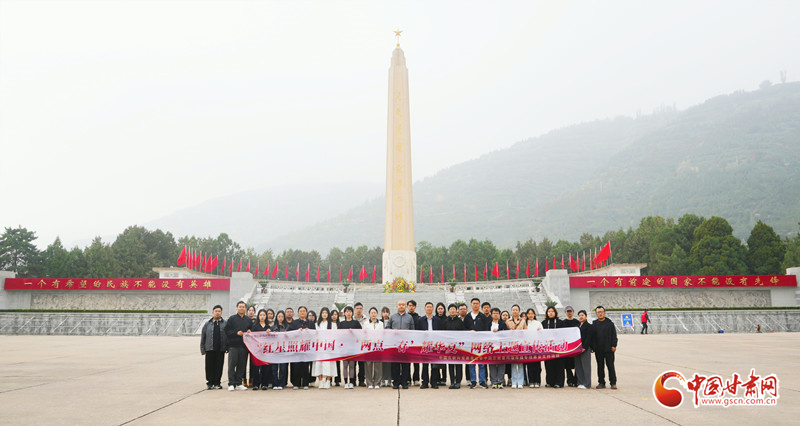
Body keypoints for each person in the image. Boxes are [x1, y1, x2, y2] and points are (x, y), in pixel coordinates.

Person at [385, 300, 415, 389]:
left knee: (406, 364)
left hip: (406, 345)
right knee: (395, 364)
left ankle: (405, 382)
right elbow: (387, 328)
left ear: (405, 307)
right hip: (395, 345)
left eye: (403, 305)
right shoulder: (392, 317)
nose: (401, 306)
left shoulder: (409, 317)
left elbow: (413, 330)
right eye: (399, 305)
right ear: (397, 306)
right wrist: (392, 331)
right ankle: (396, 382)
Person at [224, 301, 252, 391]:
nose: (242, 308)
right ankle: (231, 383)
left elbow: (252, 330)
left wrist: (249, 331)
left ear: (245, 309)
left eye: (243, 307)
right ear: (236, 308)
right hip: (233, 346)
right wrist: (236, 333)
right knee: (232, 365)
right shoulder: (232, 319)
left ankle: (239, 383)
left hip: (244, 346)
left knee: (242, 365)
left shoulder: (248, 320)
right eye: (240, 307)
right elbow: (227, 331)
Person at [200, 305, 227, 390]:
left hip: (220, 349)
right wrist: (202, 349)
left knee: (219, 366)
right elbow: (203, 337)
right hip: (210, 348)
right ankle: (210, 383)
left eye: (219, 311)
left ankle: (217, 383)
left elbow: (228, 336)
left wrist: (227, 347)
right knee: (209, 366)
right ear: (213, 312)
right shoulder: (207, 324)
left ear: (221, 312)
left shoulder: (225, 324)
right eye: (216, 311)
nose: (217, 312)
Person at [463, 298, 488, 389]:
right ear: (471, 305)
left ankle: (482, 381)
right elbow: (463, 329)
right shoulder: (467, 316)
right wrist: (470, 331)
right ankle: (473, 381)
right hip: (470, 343)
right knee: (472, 363)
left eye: (477, 303)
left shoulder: (483, 316)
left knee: (482, 363)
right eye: (474, 303)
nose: (475, 305)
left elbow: (486, 329)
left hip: (480, 343)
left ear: (479, 304)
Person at [416, 302, 441, 389]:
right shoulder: (420, 320)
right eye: (427, 307)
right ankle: (425, 382)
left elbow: (441, 332)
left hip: (434, 345)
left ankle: (434, 382)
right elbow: (418, 332)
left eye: (431, 307)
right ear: (425, 309)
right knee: (425, 365)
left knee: (434, 365)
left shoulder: (437, 320)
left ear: (433, 309)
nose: (429, 308)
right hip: (425, 345)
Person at [288, 306, 315, 389]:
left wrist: (309, 331)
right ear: (298, 313)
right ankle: (296, 383)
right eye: (301, 311)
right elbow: (289, 333)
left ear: (306, 312)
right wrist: (297, 331)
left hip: (307, 348)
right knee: (296, 365)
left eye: (304, 311)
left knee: (305, 366)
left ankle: (305, 383)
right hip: (296, 348)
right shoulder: (294, 322)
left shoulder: (311, 323)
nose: (302, 312)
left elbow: (315, 334)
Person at [593, 306, 618, 389]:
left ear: (604, 313)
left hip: (608, 349)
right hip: (598, 349)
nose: (600, 313)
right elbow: (592, 337)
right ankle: (601, 382)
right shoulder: (594, 324)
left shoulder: (610, 323)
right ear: (596, 314)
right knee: (600, 367)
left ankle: (613, 383)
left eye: (601, 312)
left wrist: (614, 345)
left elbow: (614, 335)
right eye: (598, 312)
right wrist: (593, 347)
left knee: (610, 366)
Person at [312, 307, 337, 389]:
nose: (324, 314)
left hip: (329, 347)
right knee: (319, 364)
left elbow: (335, 336)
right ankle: (320, 381)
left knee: (329, 364)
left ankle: (328, 381)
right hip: (319, 348)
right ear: (321, 314)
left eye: (326, 313)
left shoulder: (333, 325)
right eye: (323, 313)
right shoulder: (317, 324)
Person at [443, 303, 466, 389]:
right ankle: (452, 381)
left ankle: (458, 381)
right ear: (448, 311)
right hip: (449, 346)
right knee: (451, 364)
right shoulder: (445, 321)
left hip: (458, 346)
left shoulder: (459, 321)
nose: (452, 310)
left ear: (456, 311)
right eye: (451, 309)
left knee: (458, 364)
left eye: (454, 309)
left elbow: (462, 332)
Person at [338, 306, 362, 389]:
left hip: (353, 347)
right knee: (345, 365)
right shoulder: (341, 324)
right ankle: (345, 382)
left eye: (350, 311)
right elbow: (338, 335)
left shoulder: (356, 323)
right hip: (344, 347)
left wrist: (353, 332)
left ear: (352, 313)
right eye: (347, 311)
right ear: (344, 313)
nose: (348, 313)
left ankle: (351, 382)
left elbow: (360, 334)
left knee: (352, 365)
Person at [541, 306, 564, 388]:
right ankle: (550, 382)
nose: (550, 313)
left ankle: (559, 382)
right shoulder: (543, 323)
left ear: (555, 313)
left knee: (559, 365)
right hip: (547, 348)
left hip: (558, 348)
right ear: (547, 313)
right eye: (549, 311)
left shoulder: (560, 322)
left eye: (552, 311)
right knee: (548, 365)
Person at [505, 304, 527, 389]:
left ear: (519, 311)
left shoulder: (523, 321)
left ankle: (520, 382)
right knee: (513, 364)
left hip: (520, 343)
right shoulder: (508, 321)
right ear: (511, 311)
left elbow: (526, 331)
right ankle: (514, 382)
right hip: (511, 344)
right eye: (513, 310)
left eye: (516, 310)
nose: (515, 311)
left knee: (521, 364)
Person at [249, 309, 271, 390]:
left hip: (265, 350)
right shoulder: (255, 326)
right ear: (258, 316)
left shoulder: (268, 327)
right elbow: (251, 336)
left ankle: (264, 384)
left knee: (265, 367)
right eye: (261, 315)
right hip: (256, 351)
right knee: (255, 367)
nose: (262, 317)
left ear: (266, 316)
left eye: (264, 315)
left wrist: (270, 332)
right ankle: (255, 384)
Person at [487, 308, 509, 388]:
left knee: (501, 365)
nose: (495, 314)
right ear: (491, 314)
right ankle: (493, 381)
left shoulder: (503, 324)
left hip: (501, 347)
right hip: (491, 347)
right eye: (494, 313)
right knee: (492, 365)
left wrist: (499, 331)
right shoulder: (489, 323)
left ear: (499, 314)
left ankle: (500, 381)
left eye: (497, 313)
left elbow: (506, 334)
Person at [363, 307, 384, 389]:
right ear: (369, 314)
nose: (373, 314)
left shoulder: (381, 323)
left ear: (377, 314)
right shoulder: (366, 323)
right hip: (369, 346)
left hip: (378, 346)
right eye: (372, 313)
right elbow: (364, 334)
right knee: (368, 364)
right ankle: (369, 382)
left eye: (375, 312)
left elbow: (382, 333)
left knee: (378, 364)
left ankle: (377, 382)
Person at [561, 306, 580, 387]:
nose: (569, 313)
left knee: (576, 364)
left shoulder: (577, 322)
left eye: (570, 311)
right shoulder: (563, 323)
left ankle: (575, 380)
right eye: (568, 311)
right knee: (567, 365)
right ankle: (569, 380)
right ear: (565, 312)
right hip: (567, 347)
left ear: (573, 312)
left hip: (575, 346)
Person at [270, 310, 289, 390]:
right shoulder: (273, 328)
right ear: (276, 317)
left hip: (284, 351)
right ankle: (275, 383)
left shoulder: (287, 327)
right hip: (275, 350)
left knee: (283, 368)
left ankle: (281, 383)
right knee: (274, 368)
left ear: (284, 317)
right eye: (279, 316)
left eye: (282, 316)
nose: (280, 318)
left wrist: (286, 335)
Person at [575, 309, 593, 389]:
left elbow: (589, 338)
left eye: (582, 315)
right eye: (579, 315)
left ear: (586, 316)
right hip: (577, 349)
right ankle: (580, 382)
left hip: (584, 349)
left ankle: (587, 383)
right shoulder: (577, 326)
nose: (581, 317)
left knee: (586, 367)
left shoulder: (589, 326)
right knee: (578, 366)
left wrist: (585, 347)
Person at [525, 308, 543, 388]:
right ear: (527, 315)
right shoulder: (525, 323)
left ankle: (537, 381)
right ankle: (531, 381)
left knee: (537, 365)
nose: (530, 315)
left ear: (534, 314)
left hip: (537, 346)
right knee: (530, 365)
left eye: (532, 313)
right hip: (528, 346)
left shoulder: (538, 323)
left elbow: (543, 333)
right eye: (529, 313)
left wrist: (540, 330)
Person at [433, 302, 448, 386]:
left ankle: (444, 379)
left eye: (442, 309)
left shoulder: (447, 318)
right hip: (436, 343)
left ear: (444, 310)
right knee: (437, 361)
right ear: (436, 310)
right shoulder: (434, 319)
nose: (440, 310)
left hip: (445, 343)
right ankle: (437, 378)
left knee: (444, 361)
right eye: (439, 309)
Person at [354, 302, 368, 387]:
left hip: (363, 344)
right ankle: (353, 380)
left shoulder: (366, 319)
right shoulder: (351, 318)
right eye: (357, 308)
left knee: (362, 364)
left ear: (362, 309)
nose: (359, 310)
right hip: (353, 344)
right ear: (354, 309)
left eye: (360, 308)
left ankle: (361, 380)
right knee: (353, 364)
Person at [407, 299, 421, 385]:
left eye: (412, 306)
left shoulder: (418, 318)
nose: (411, 307)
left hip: (416, 342)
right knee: (407, 362)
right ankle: (408, 379)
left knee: (416, 362)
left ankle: (416, 379)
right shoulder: (405, 316)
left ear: (415, 307)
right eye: (409, 305)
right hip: (407, 342)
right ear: (407, 307)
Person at [244, 305, 256, 387]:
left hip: (254, 345)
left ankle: (252, 379)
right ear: (247, 311)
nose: (251, 312)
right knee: (243, 363)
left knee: (253, 363)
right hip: (245, 344)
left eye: (252, 310)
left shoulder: (256, 321)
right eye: (249, 310)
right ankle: (244, 379)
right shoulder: (244, 320)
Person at [380, 306, 392, 387]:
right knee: (382, 363)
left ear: (389, 313)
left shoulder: (391, 321)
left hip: (390, 344)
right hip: (381, 345)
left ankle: (390, 379)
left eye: (387, 312)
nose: (385, 314)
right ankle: (383, 379)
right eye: (384, 312)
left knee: (390, 363)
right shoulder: (379, 322)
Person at [331, 309, 342, 387]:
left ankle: (337, 380)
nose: (334, 316)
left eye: (336, 314)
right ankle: (330, 379)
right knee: (331, 363)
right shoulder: (328, 324)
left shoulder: (340, 324)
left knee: (337, 363)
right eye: (333, 314)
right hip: (330, 346)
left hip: (337, 346)